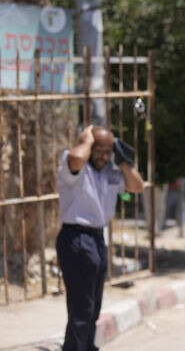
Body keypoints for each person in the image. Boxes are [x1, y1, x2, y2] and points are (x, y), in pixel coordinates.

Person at [55, 125, 144, 351]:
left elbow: (137, 186)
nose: (103, 156)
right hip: (76, 237)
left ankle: (86, 346)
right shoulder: (73, 165)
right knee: (81, 306)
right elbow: (77, 158)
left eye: (107, 151)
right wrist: (86, 141)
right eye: (98, 150)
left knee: (93, 306)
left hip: (96, 239)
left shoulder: (110, 172)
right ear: (89, 145)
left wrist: (122, 161)